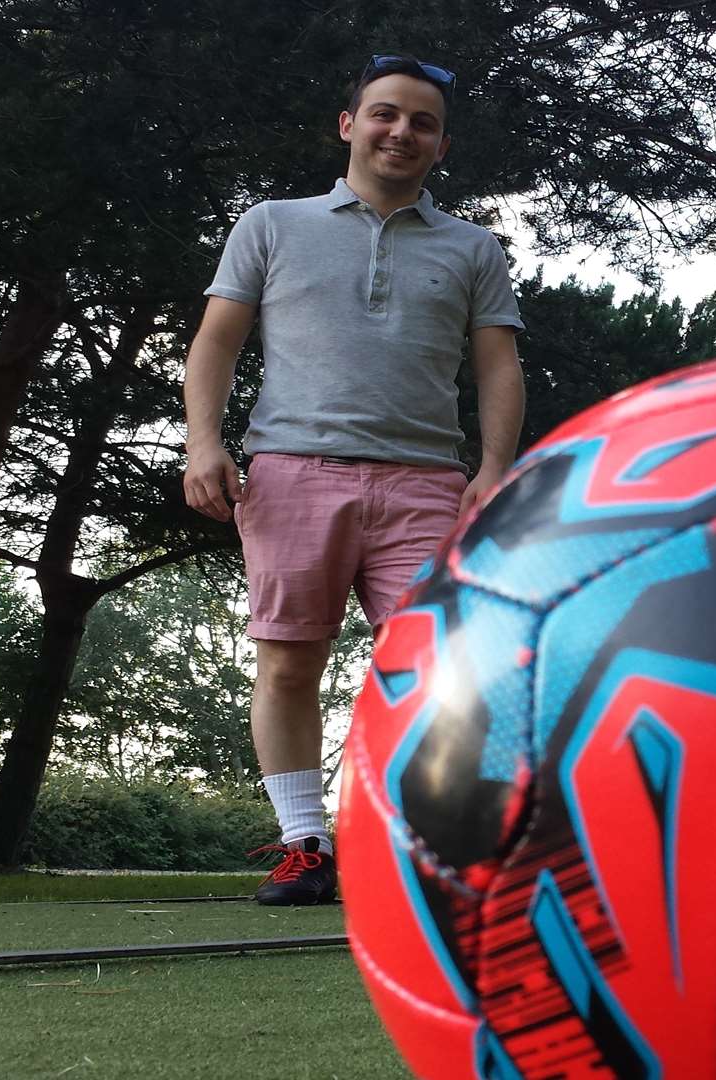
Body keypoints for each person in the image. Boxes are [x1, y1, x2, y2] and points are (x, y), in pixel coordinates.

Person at [180, 54, 525, 905]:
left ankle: (423, 846)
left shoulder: (474, 247)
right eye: (384, 114)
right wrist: (202, 444)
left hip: (427, 482)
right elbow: (216, 342)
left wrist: (494, 471)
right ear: (349, 124)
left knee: (441, 670)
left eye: (421, 122)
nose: (400, 131)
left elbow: (499, 367)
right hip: (293, 471)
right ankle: (305, 846)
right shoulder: (271, 223)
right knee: (289, 663)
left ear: (442, 145)